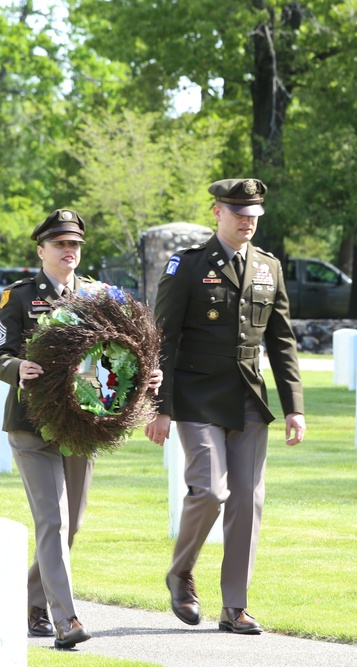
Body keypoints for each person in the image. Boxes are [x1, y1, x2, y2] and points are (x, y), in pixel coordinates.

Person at [0, 208, 162, 649]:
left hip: (81, 426)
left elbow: (126, 349)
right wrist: (17, 366)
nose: (70, 251)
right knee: (52, 519)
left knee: (71, 525)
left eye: (75, 245)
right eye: (61, 244)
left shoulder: (99, 295)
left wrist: (148, 375)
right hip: (32, 425)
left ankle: (30, 600)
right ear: (41, 250)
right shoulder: (20, 297)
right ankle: (65, 619)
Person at [145, 178, 305, 635]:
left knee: (248, 502)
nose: (248, 223)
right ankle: (181, 571)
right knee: (211, 491)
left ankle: (235, 606)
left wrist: (294, 406)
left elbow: (281, 341)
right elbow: (164, 338)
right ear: (218, 212)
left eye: (254, 216)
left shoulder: (268, 268)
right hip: (196, 398)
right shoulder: (188, 266)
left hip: (249, 398)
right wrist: (161, 406)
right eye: (239, 215)